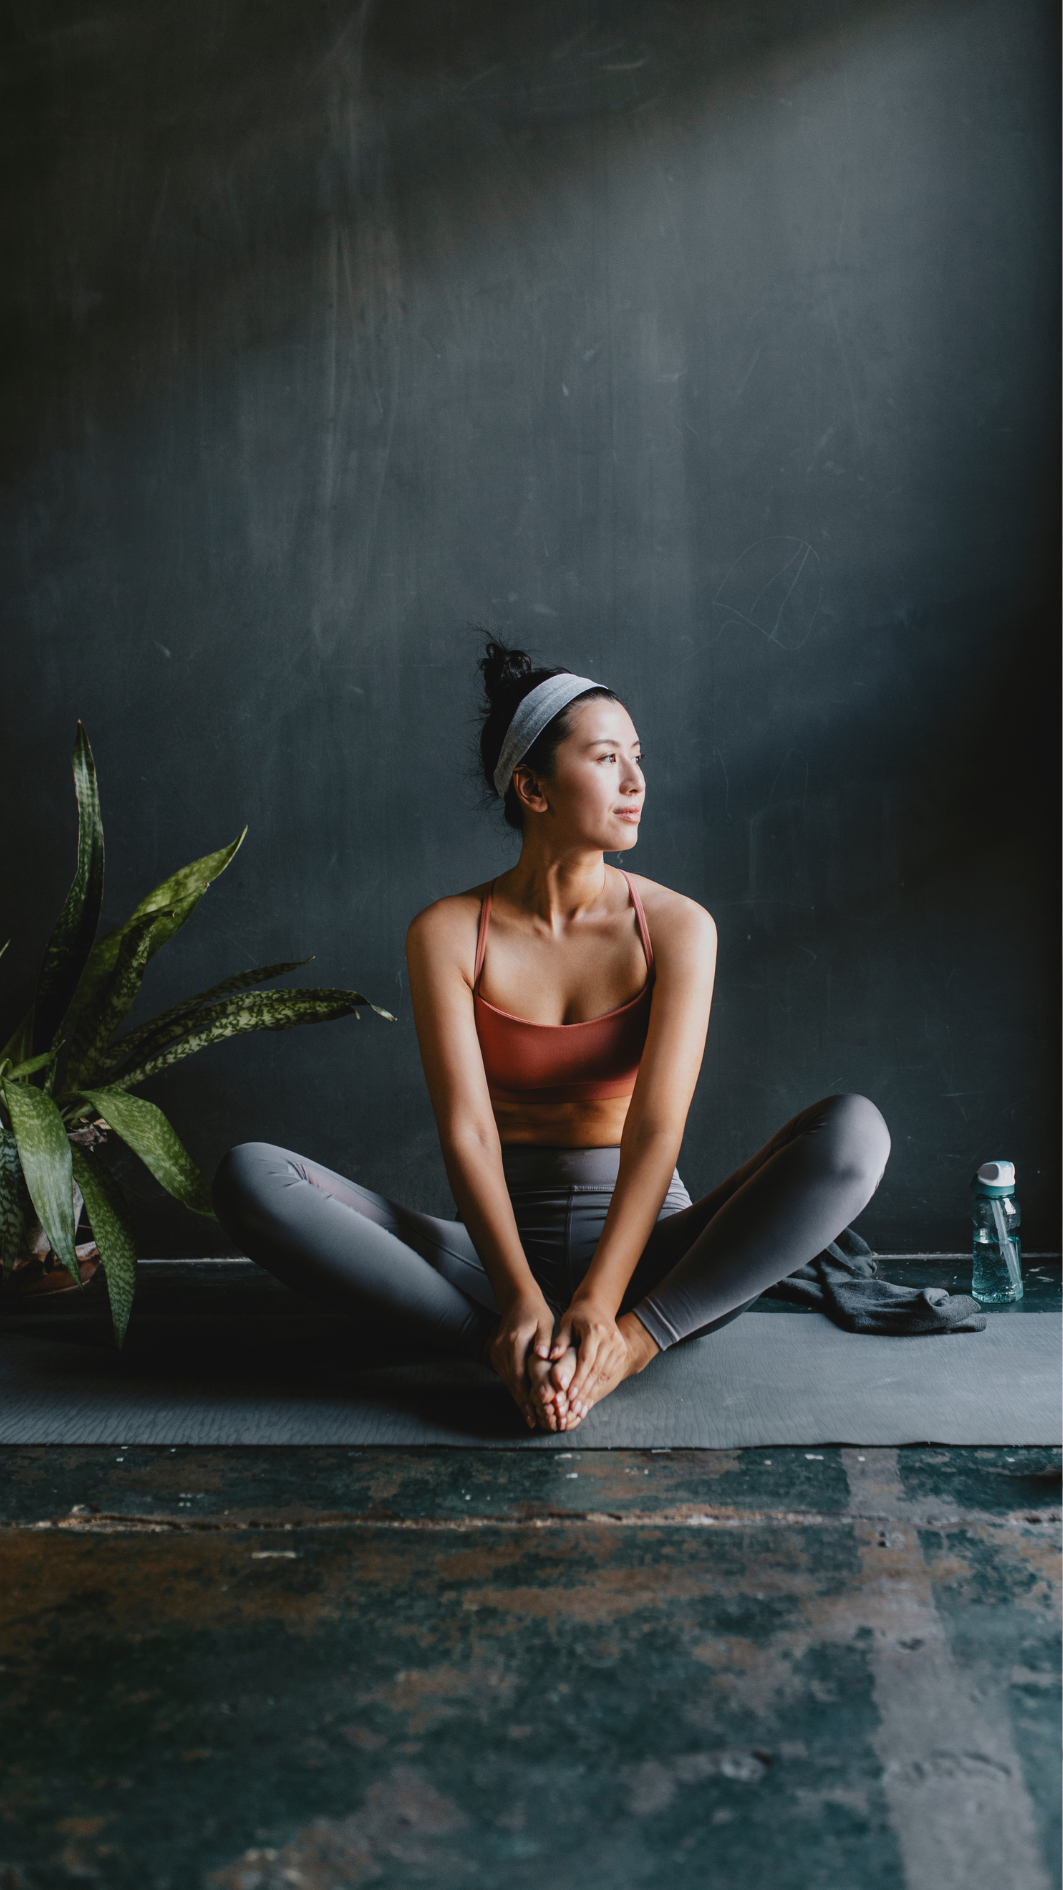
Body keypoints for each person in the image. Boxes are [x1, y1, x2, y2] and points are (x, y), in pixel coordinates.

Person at [213, 643, 890, 1432]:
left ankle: (630, 1349)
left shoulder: (676, 927)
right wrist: (514, 1298)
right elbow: (466, 1132)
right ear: (532, 788)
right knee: (248, 1176)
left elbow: (655, 1129)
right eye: (606, 759)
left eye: (636, 758)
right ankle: (507, 1349)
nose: (636, 783)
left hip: (654, 1264)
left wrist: (609, 1310)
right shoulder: (447, 931)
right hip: (491, 1262)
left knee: (852, 1132)